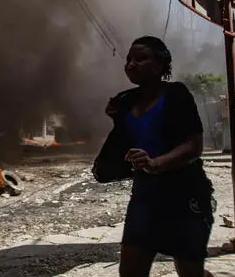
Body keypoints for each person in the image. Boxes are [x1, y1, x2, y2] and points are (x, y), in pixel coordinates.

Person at [92, 35, 215, 277]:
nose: (131, 64)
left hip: (185, 195)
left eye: (141, 58)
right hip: (145, 197)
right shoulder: (125, 101)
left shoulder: (177, 95)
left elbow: (193, 146)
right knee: (130, 271)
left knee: (190, 272)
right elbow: (122, 141)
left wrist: (155, 164)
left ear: (160, 65)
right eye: (128, 59)